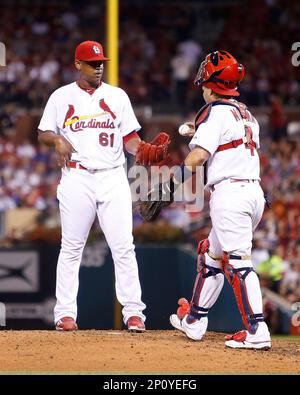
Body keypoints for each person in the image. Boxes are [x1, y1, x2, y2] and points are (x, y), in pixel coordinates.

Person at [37, 40, 169, 332]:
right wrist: (57, 139)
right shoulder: (61, 97)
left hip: (112, 176)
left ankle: (134, 313)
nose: (98, 68)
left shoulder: (117, 96)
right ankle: (65, 315)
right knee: (71, 248)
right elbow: (43, 132)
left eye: (101, 63)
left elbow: (130, 139)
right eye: (92, 63)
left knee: (124, 247)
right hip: (77, 177)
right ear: (78, 64)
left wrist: (146, 151)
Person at [166, 50, 271, 349]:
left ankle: (257, 330)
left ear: (211, 82)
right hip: (252, 194)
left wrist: (172, 184)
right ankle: (195, 321)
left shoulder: (214, 112)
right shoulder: (246, 113)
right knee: (211, 254)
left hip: (231, 195)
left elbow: (198, 156)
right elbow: (229, 137)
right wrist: (196, 128)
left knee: (238, 263)